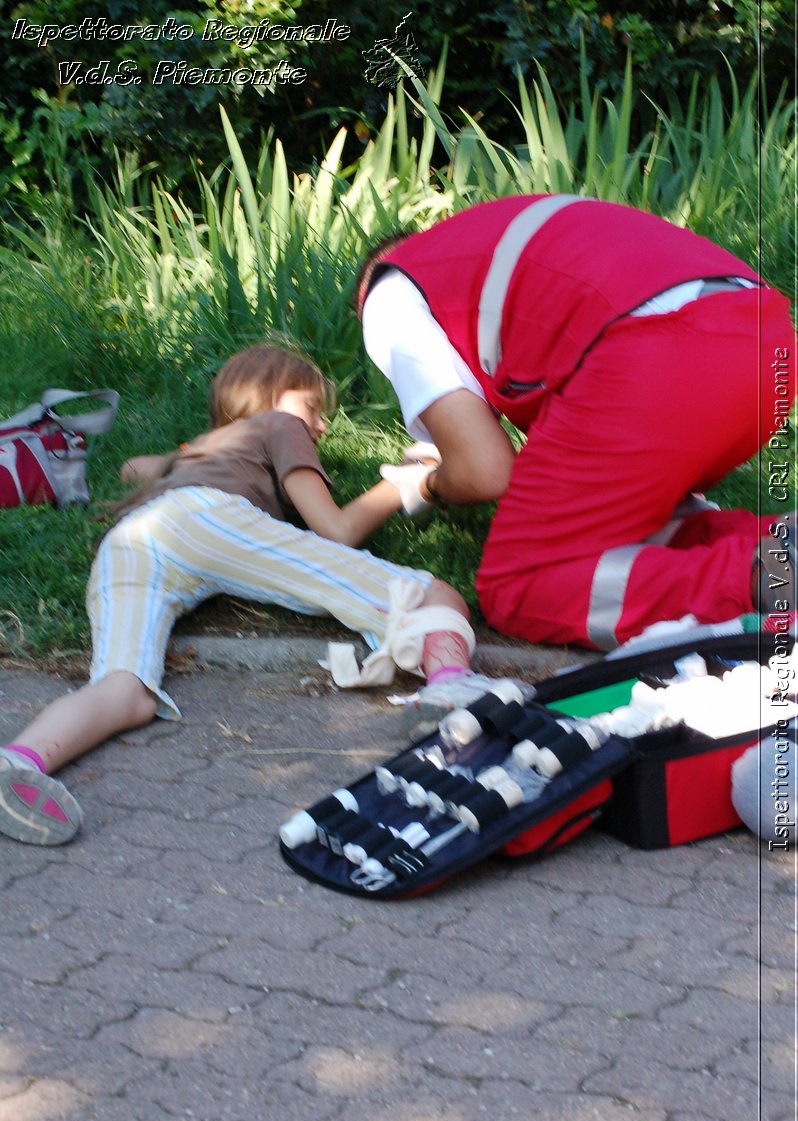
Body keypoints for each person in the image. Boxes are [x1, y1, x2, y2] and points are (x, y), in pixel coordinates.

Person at [0, 344, 479, 847]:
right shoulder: (279, 424)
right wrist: (411, 484)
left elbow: (132, 468)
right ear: (270, 397)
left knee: (126, 690)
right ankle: (451, 684)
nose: (320, 427)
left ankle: (21, 760)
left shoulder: (204, 449)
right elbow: (335, 529)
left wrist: (187, 454)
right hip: (209, 521)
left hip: (130, 541)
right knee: (429, 593)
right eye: (313, 410)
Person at [356, 194, 796, 652]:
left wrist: (430, 484)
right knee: (631, 530)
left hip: (656, 353)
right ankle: (781, 545)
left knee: (519, 585)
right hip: (763, 340)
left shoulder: (389, 291)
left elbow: (484, 471)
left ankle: (759, 579)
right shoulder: (487, 245)